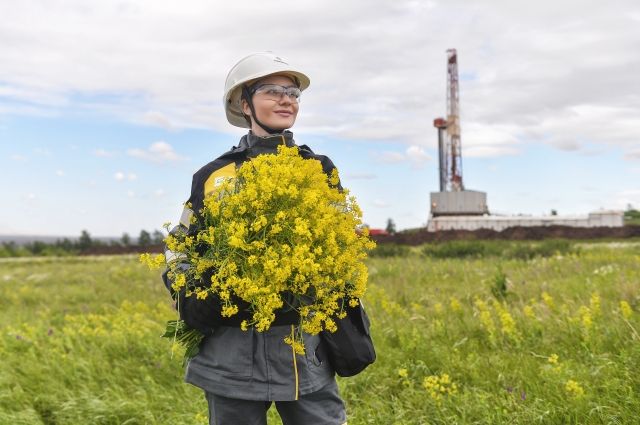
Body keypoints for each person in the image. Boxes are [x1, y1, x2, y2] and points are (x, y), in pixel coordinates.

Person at [162, 52, 348, 425]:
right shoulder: (213, 175)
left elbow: (344, 245)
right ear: (244, 103)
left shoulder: (319, 169)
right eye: (272, 91)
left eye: (293, 93)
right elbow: (178, 248)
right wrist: (192, 294)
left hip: (301, 348)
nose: (286, 99)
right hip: (230, 353)